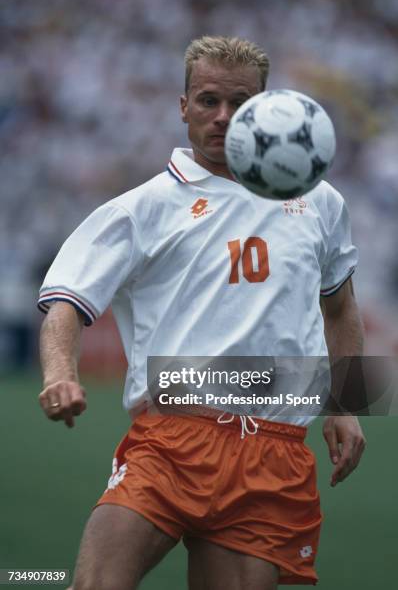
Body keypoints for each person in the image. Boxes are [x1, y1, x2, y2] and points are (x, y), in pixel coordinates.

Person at [38, 36, 366, 590]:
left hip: (274, 452)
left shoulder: (321, 201)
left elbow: (341, 307)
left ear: (262, 110)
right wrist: (59, 374)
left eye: (239, 103)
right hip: (171, 438)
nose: (222, 117)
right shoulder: (142, 207)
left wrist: (348, 404)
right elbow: (66, 300)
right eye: (208, 100)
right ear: (183, 106)